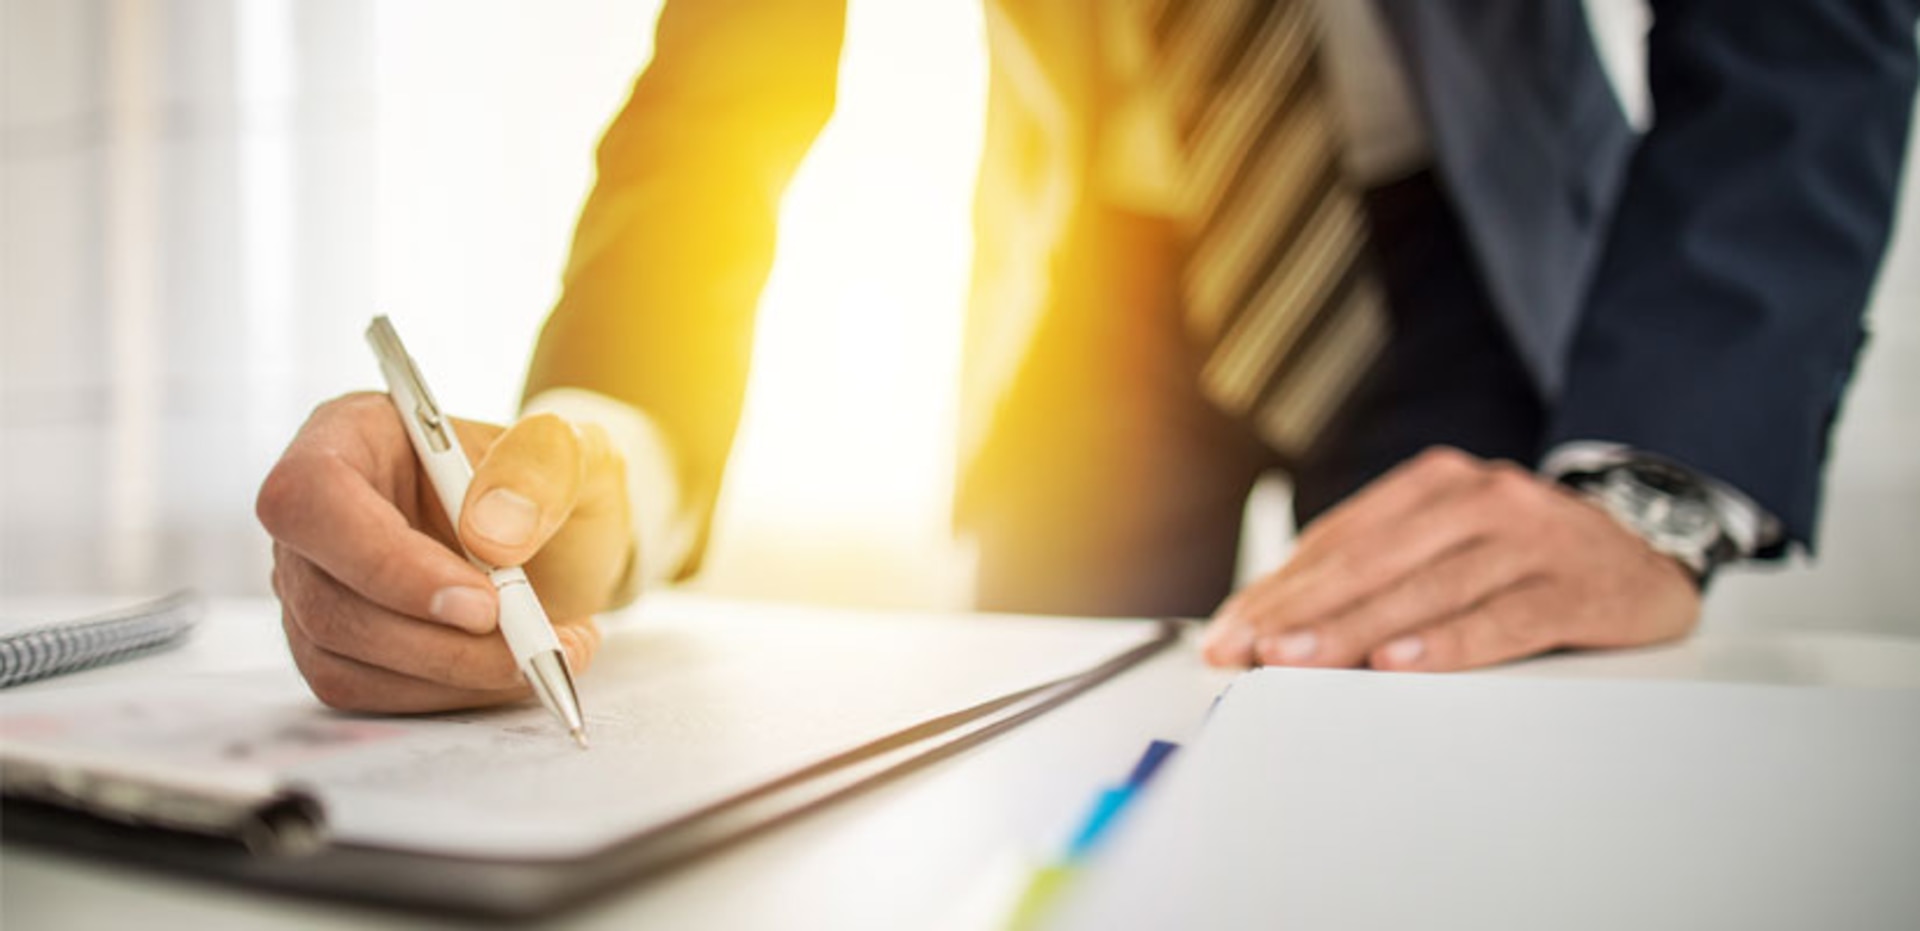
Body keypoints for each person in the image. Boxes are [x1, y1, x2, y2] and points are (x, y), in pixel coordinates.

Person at [257, 0, 1919, 712]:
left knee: (1488, 768)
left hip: (1460, 242)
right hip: (1086, 283)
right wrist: (593, 448)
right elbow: (721, 104)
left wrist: (1649, 479)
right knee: (1047, 774)